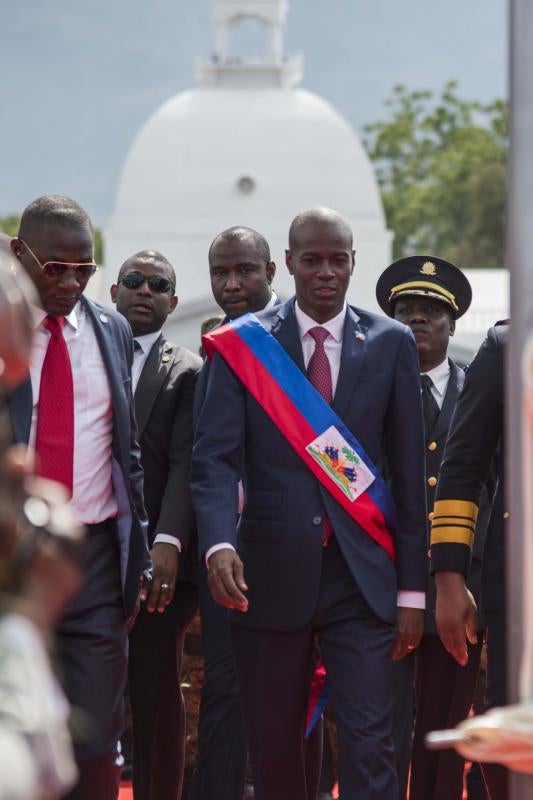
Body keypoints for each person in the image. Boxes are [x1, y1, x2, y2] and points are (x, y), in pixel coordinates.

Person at [191, 207, 428, 800]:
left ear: (353, 263)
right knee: (274, 752)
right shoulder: (244, 345)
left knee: (371, 742)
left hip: (362, 577)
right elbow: (214, 459)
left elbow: (408, 472)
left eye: (337, 260)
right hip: (267, 575)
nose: (326, 272)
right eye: (313, 260)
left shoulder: (391, 342)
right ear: (289, 263)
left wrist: (412, 591)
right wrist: (217, 542)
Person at [8, 196, 149, 800]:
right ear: (19, 255)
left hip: (93, 557)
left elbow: (126, 450)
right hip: (12, 556)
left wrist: (138, 553)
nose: (70, 283)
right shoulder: (6, 330)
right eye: (55, 268)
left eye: (83, 270)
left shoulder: (111, 329)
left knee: (95, 742)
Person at [376, 256, 489, 799]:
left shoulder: (479, 391)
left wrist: (471, 573)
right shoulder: (370, 391)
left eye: (430, 311)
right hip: (384, 583)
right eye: (406, 310)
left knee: (445, 725)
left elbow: (492, 486)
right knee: (382, 724)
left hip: (459, 584)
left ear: (452, 322)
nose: (417, 318)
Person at [111, 249, 201, 800]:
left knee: (155, 688)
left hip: (161, 564)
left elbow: (190, 461)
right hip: (90, 550)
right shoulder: (83, 354)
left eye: (158, 284)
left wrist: (167, 541)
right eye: (134, 280)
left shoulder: (189, 370)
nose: (145, 290)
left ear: (173, 301)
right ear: (114, 291)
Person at [192, 226, 277, 800]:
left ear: (271, 271)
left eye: (244, 271)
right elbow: (204, 458)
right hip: (226, 549)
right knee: (224, 685)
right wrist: (216, 542)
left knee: (291, 685)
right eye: (220, 273)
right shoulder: (216, 351)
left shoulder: (296, 342)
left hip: (293, 546)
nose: (231, 285)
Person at [430, 320, 508, 799]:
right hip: (521, 582)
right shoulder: (508, 344)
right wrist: (449, 577)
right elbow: (461, 468)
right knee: (512, 729)